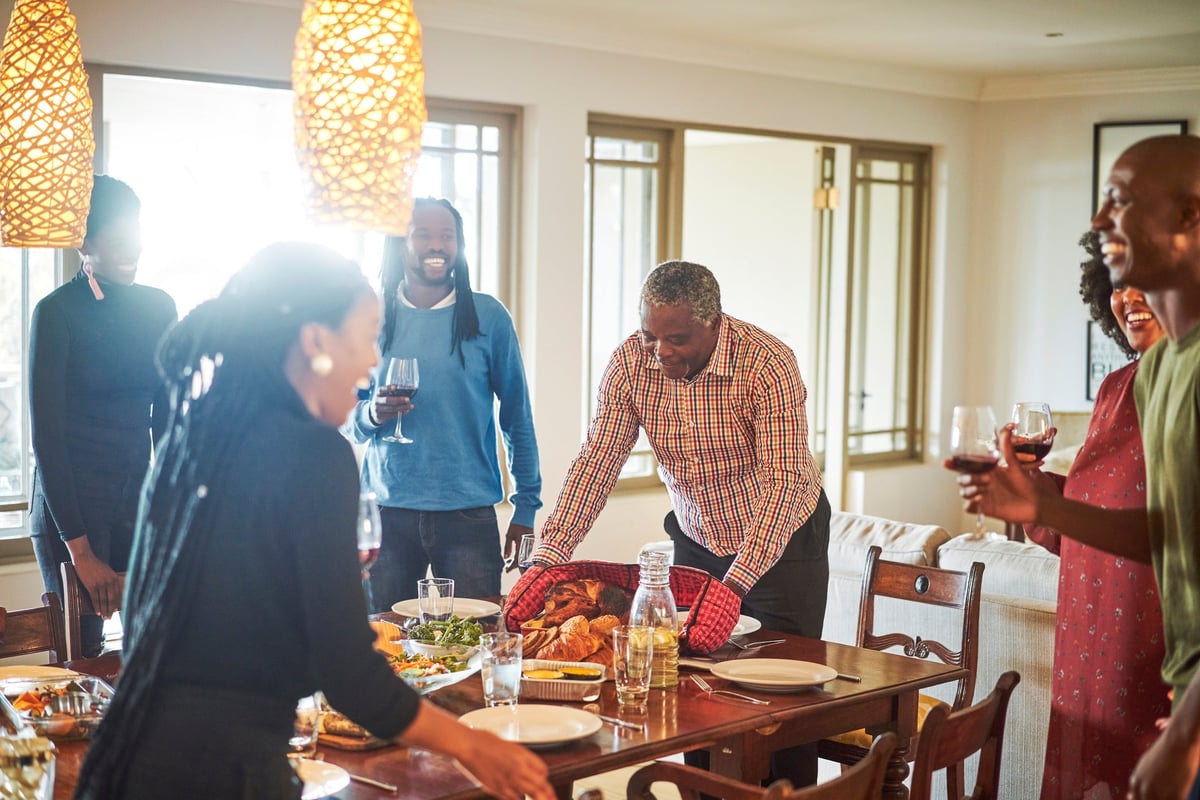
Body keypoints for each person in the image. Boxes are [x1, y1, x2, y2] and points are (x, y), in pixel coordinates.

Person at [73, 243, 554, 800]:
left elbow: (174, 630)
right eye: (366, 336)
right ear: (316, 341)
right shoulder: (315, 454)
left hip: (121, 764)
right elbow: (349, 673)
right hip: (220, 772)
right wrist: (475, 747)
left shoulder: (194, 437)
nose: (374, 361)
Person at [951, 134, 1200, 800]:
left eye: (1118, 201)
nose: (1099, 222)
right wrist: (1040, 505)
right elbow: (1163, 530)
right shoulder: (1151, 374)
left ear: (1190, 217)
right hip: (1140, 671)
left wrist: (1184, 734)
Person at [532, 259, 830, 785]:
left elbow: (785, 482)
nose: (660, 351)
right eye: (650, 336)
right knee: (692, 687)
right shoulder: (631, 363)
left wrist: (735, 583)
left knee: (784, 699)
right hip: (697, 540)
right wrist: (549, 556)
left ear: (714, 323)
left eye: (677, 338)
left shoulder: (767, 364)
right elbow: (598, 462)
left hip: (783, 543)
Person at [1022, 231, 1169, 800]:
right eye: (1117, 281)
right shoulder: (1116, 387)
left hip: (1153, 636)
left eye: (1147, 278)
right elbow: (1089, 512)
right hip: (1090, 626)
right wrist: (1028, 484)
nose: (1128, 295)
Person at [345, 197, 541, 609]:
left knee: (474, 640)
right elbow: (346, 417)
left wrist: (526, 507)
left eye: (447, 236)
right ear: (401, 244)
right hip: (386, 512)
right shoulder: (373, 315)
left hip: (468, 515)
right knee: (386, 644)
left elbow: (516, 418)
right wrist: (372, 414)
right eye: (423, 235)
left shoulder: (489, 317)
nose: (437, 246)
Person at [28, 175, 177, 657]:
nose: (131, 249)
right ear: (85, 242)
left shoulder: (159, 307)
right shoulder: (56, 313)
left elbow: (169, 424)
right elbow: (48, 440)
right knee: (81, 657)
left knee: (149, 650)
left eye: (134, 234)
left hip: (135, 499)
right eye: (116, 239)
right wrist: (82, 553)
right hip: (68, 508)